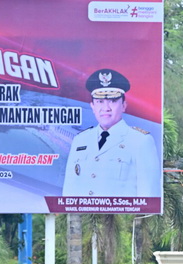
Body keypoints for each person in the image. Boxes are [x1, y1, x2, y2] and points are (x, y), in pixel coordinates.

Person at [63, 69, 160, 198]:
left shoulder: (140, 141)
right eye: (100, 101)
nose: (106, 108)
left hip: (123, 217)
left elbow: (149, 196)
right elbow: (69, 191)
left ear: (124, 105)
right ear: (92, 106)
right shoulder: (80, 140)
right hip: (85, 217)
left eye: (113, 101)